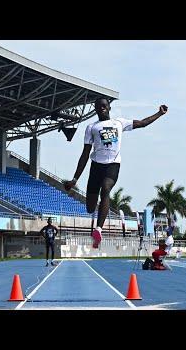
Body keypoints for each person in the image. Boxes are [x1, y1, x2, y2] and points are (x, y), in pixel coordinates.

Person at [64, 98, 168, 248]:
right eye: (99, 107)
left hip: (112, 165)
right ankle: (96, 223)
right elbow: (85, 154)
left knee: (106, 189)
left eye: (104, 106)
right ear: (96, 110)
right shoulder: (91, 127)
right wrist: (75, 179)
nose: (102, 108)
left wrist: (159, 113)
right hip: (96, 167)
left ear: (109, 107)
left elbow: (142, 123)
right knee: (90, 208)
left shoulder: (119, 123)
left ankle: (98, 230)